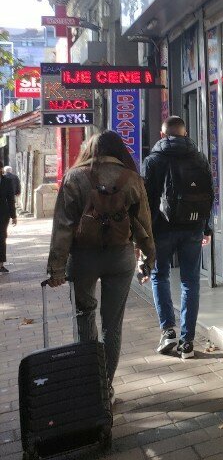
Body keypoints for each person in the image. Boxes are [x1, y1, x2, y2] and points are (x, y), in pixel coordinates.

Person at [46, 131, 155, 403]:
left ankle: (90, 387)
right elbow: (143, 222)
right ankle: (105, 388)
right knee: (112, 325)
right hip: (120, 257)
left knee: (84, 316)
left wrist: (56, 268)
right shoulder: (131, 177)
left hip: (83, 258)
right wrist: (149, 258)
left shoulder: (74, 177)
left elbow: (63, 226)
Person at [142, 116, 214, 360]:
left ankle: (168, 331)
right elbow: (209, 194)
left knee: (159, 276)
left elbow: (145, 201)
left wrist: (142, 236)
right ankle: (187, 343)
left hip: (161, 229)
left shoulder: (153, 160)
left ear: (162, 135)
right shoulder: (199, 158)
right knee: (190, 282)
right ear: (185, 133)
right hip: (193, 227)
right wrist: (206, 228)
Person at [0, 170, 16, 273]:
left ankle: (1, 264)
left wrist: (13, 216)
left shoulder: (7, 181)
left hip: (2, 214)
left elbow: (11, 199)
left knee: (1, 238)